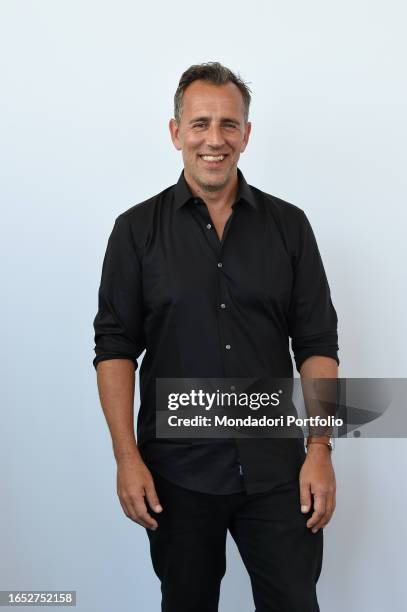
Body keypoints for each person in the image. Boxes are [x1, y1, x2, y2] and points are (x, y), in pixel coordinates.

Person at [92, 62, 339, 612]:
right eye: (200, 123)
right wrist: (125, 457)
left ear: (246, 135)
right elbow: (114, 349)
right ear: (175, 132)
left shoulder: (289, 226)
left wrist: (320, 450)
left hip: (279, 472)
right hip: (176, 474)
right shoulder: (135, 231)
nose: (215, 139)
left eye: (229, 124)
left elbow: (318, 345)